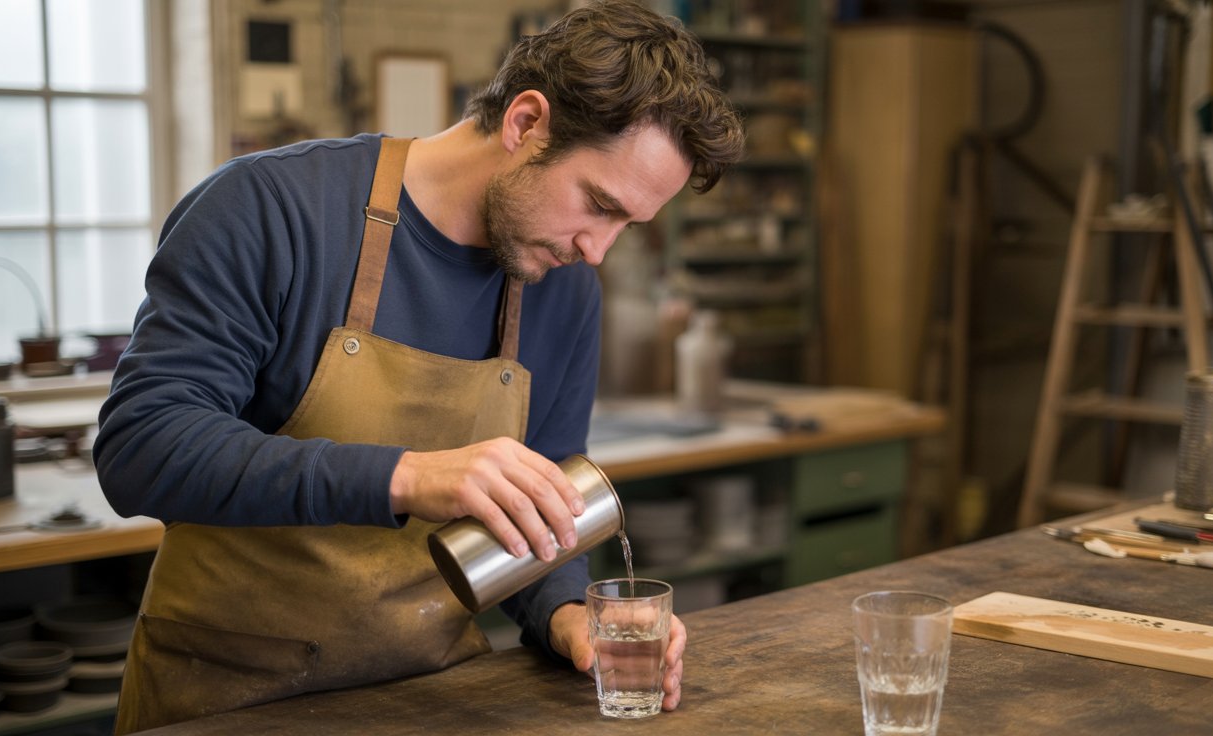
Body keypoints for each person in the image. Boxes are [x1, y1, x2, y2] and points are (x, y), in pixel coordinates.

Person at [93, 1, 743, 732]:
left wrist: (565, 613)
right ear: (526, 123)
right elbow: (141, 447)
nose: (598, 250)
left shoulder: (564, 290)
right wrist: (406, 476)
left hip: (430, 698)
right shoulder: (270, 210)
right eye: (597, 204)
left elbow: (549, 496)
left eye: (627, 225)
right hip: (222, 695)